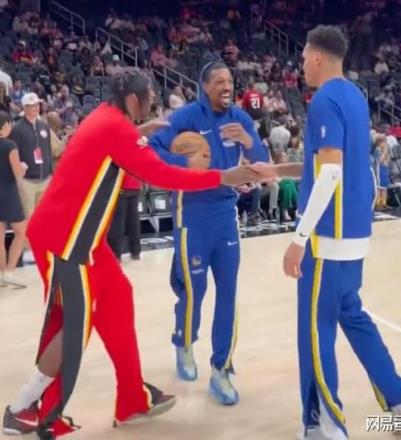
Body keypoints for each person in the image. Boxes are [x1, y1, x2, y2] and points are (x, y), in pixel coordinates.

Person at [2, 69, 260, 439]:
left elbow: (112, 146)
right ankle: (21, 408)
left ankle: (132, 398)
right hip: (64, 240)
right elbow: (163, 174)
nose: (152, 105)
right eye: (149, 99)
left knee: (118, 296)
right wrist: (221, 176)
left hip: (82, 239)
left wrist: (140, 132)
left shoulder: (107, 118)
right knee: (74, 327)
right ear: (134, 100)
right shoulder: (116, 129)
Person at [254, 26, 401, 440]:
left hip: (326, 237)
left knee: (315, 332)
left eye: (302, 59)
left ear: (316, 57)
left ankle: (326, 426)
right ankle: (400, 401)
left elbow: (329, 173)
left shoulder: (325, 100)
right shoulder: (355, 97)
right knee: (353, 317)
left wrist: (298, 239)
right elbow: (333, 165)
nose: (301, 66)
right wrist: (277, 170)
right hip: (354, 233)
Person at [149, 61, 269, 405]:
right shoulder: (185, 117)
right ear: (205, 86)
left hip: (226, 214)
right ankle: (184, 341)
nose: (227, 86)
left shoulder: (240, 119)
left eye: (230, 81)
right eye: (219, 81)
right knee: (194, 289)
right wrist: (185, 164)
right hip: (192, 212)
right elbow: (153, 150)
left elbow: (262, 165)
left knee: (228, 293)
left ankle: (221, 369)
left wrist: (248, 141)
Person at [9, 93, 52, 221]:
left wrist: (50, 172)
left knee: (42, 217)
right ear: (25, 108)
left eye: (37, 104)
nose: (36, 108)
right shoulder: (17, 129)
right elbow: (13, 152)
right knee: (28, 218)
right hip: (27, 181)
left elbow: (48, 149)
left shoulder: (43, 125)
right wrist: (19, 169)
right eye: (32, 105)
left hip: (45, 179)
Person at [0, 111, 28, 288]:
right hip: (8, 193)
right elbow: (17, 172)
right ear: (6, 125)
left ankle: (1, 273)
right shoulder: (10, 145)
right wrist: (23, 167)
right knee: (20, 232)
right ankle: (9, 271)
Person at [107, 173, 142, 261]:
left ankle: (116, 254)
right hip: (135, 185)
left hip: (121, 185)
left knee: (117, 222)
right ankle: (135, 252)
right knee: (133, 221)